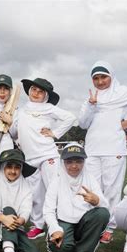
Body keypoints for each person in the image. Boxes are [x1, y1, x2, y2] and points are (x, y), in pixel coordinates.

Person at [78, 61, 127, 243]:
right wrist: (91, 105)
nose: (100, 81)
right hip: (92, 149)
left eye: (103, 77)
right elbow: (82, 123)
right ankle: (92, 223)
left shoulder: (124, 92)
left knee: (112, 190)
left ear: (111, 76)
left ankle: (109, 227)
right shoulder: (91, 97)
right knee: (91, 188)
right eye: (95, 78)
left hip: (114, 149)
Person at [14, 78, 76, 239]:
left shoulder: (48, 108)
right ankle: (38, 224)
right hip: (29, 158)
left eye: (40, 92)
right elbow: (15, 131)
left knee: (54, 189)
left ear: (46, 96)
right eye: (34, 89)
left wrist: (55, 133)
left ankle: (62, 222)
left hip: (48, 155)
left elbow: (70, 118)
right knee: (35, 193)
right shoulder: (20, 110)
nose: (36, 93)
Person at [44, 143, 110, 252]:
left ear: (84, 162)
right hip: (64, 222)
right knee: (61, 250)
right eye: (69, 162)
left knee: (102, 213)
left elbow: (105, 206)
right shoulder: (56, 180)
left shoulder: (90, 178)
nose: (74, 166)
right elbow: (48, 210)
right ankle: (70, 245)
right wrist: (54, 229)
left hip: (84, 223)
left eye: (79, 161)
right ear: (63, 163)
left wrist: (97, 201)